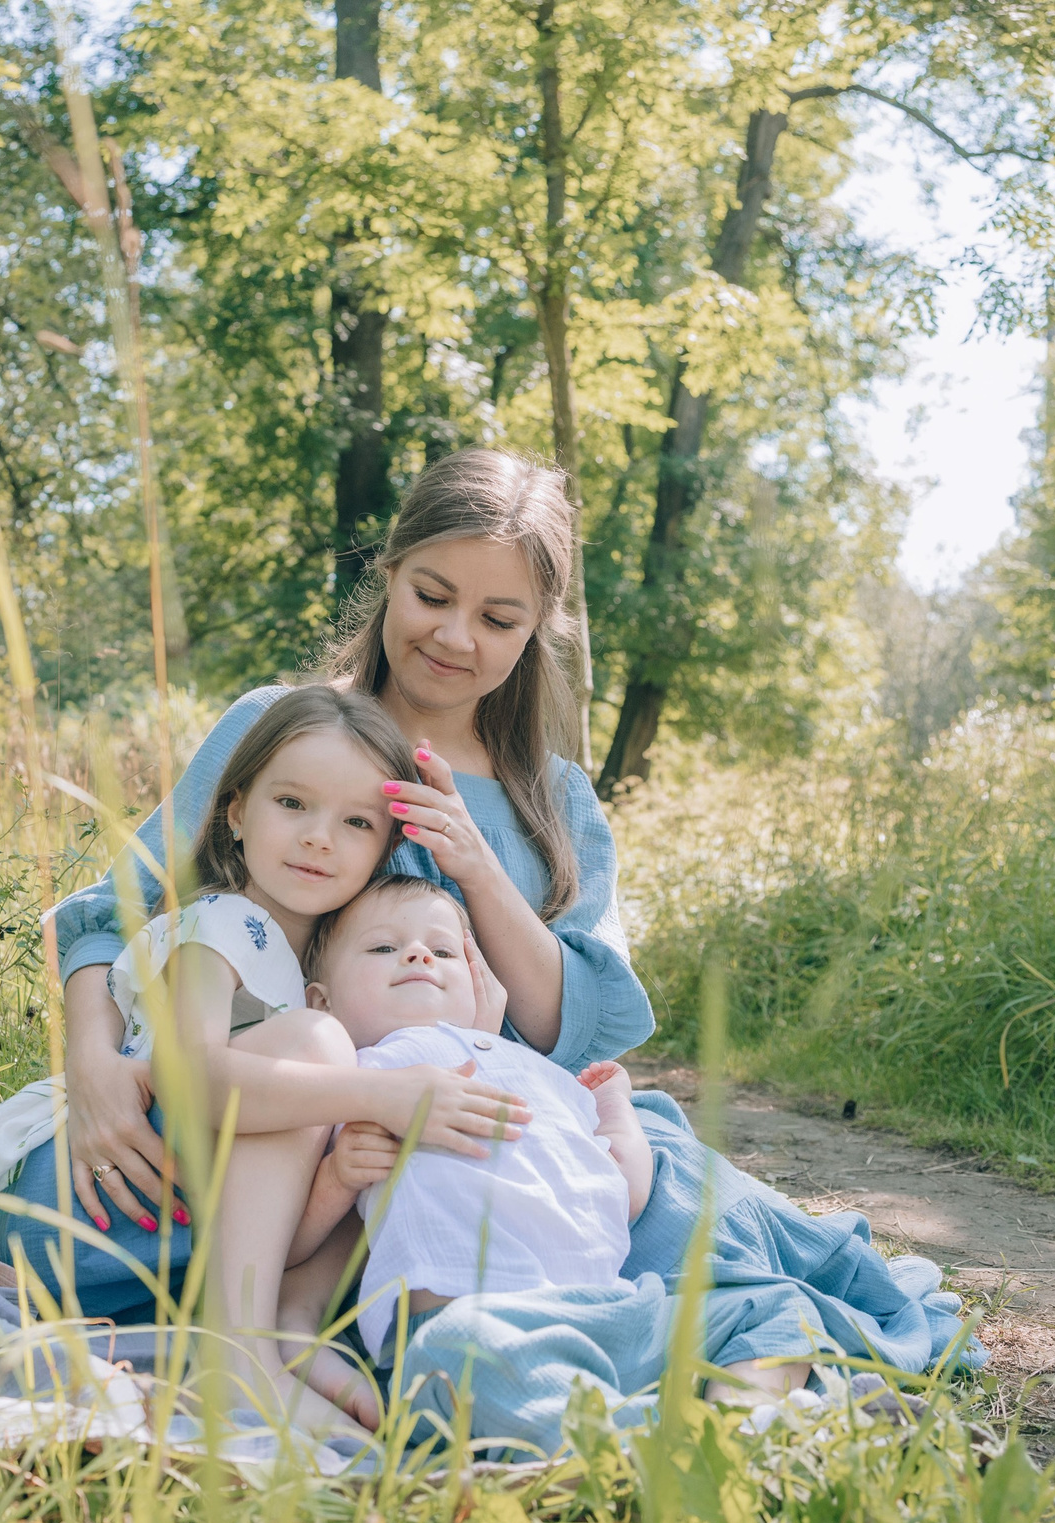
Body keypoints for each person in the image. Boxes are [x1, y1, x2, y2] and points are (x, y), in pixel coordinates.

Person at [46, 448, 652, 1255]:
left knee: (681, 1222)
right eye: (431, 595)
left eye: (499, 620)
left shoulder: (555, 797)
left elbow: (565, 1028)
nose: (453, 635)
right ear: (390, 572)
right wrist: (92, 1066)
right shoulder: (282, 728)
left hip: (475, 1148)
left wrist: (474, 862)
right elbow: (108, 913)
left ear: (538, 631)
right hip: (276, 1124)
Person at [0, 686, 530, 1434]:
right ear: (235, 812)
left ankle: (286, 1327)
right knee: (336, 1063)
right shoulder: (227, 925)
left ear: (384, 848)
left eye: (356, 821)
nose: (320, 837)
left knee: (378, 1132)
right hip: (94, 1192)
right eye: (293, 803)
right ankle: (245, 1352)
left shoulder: (314, 969)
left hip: (173, 1233)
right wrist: (382, 1094)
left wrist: (460, 1041)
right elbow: (188, 1081)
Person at [273, 875, 669, 1426]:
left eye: (442, 950)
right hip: (470, 1318)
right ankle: (626, 1444)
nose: (416, 953)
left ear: (479, 981)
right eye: (384, 947)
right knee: (475, 1361)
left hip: (607, 1307)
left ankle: (697, 1423)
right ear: (323, 1001)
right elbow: (290, 1254)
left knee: (750, 1314)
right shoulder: (357, 1074)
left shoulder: (544, 1075)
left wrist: (616, 1108)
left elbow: (622, 1189)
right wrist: (338, 1177)